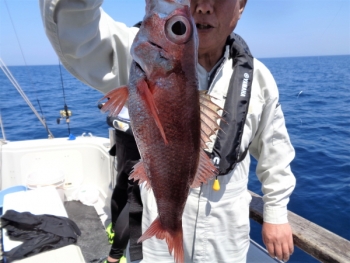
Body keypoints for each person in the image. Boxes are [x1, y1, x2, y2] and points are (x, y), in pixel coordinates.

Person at [40, 0, 296, 262]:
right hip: (157, 242)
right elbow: (74, 30)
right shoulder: (137, 49)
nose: (205, 6)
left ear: (240, 7)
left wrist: (276, 213)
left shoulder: (259, 78)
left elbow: (275, 151)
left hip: (227, 240)